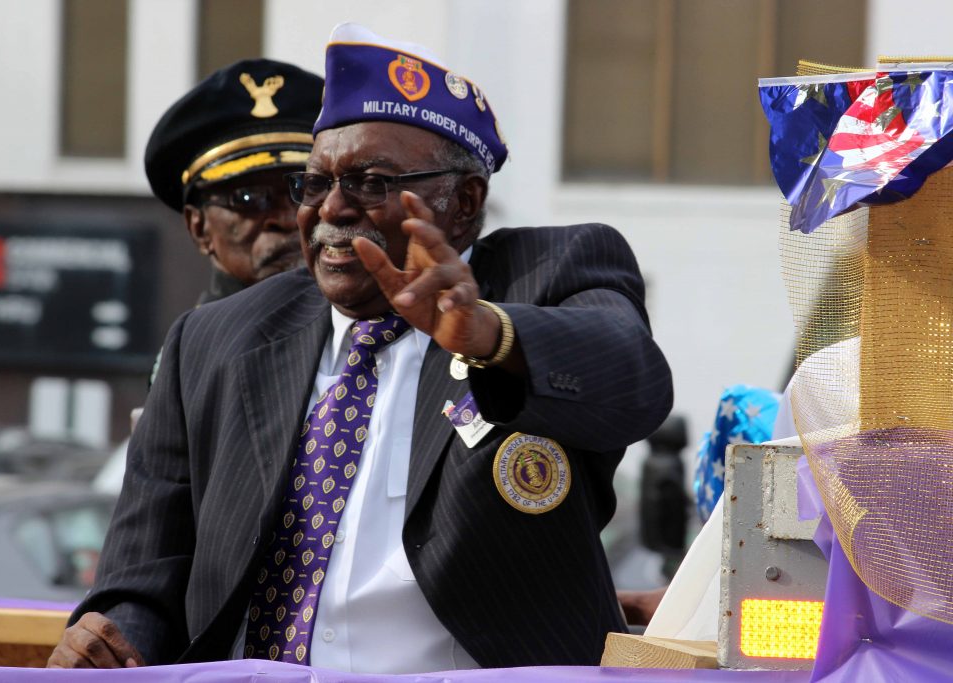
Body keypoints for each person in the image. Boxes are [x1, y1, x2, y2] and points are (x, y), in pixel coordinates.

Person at [48, 24, 673, 673]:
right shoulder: (213, 340)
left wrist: (489, 334)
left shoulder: (546, 273)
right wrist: (111, 638)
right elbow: (146, 577)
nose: (332, 209)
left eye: (370, 181)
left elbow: (632, 381)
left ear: (463, 202)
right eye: (314, 184)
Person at [145, 58, 324, 306]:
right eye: (248, 198)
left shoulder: (364, 337)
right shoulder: (190, 345)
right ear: (198, 227)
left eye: (305, 190)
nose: (286, 218)